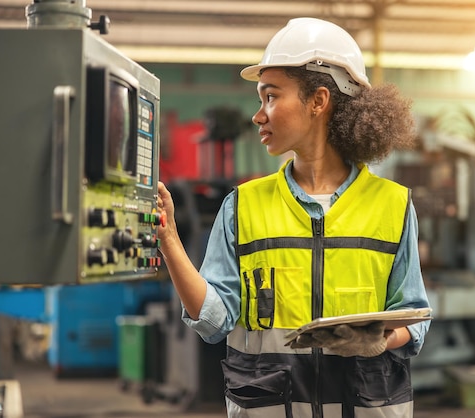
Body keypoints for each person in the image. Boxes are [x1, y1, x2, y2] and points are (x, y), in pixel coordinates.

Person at [156, 17, 430, 418]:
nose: (258, 115)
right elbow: (215, 322)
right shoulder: (242, 206)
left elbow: (415, 316)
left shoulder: (393, 205)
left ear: (318, 101)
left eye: (270, 97)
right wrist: (170, 242)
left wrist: (381, 340)